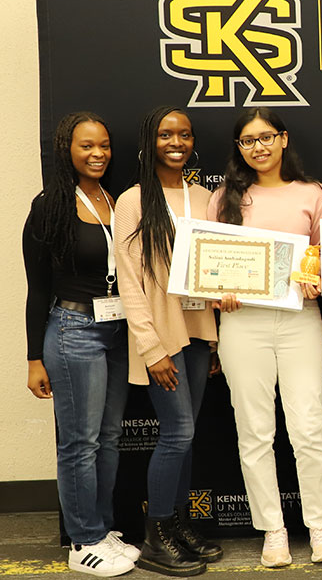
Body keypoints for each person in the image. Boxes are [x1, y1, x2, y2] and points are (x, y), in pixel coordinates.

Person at [208, 107, 322, 568]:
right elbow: (211, 262)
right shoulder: (224, 197)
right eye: (248, 140)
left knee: (309, 426)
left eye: (266, 137)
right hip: (243, 325)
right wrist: (217, 291)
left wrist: (316, 277)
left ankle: (320, 525)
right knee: (255, 432)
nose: (258, 147)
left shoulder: (315, 193)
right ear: (239, 148)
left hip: (301, 319)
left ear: (283, 139)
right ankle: (273, 531)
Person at [23, 112, 137, 577]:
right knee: (79, 443)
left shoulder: (113, 198)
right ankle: (82, 540)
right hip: (73, 330)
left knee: (107, 439)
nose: (97, 154)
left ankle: (102, 529)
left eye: (104, 145)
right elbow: (36, 288)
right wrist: (33, 357)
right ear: (66, 149)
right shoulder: (50, 203)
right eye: (87, 145)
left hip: (117, 330)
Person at [115, 106, 221, 576]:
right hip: (163, 334)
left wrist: (216, 340)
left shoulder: (204, 197)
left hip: (200, 332)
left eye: (183, 134)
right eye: (165, 134)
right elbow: (130, 284)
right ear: (150, 141)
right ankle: (155, 535)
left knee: (188, 435)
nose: (176, 142)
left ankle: (177, 525)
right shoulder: (133, 201)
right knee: (177, 433)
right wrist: (151, 348)